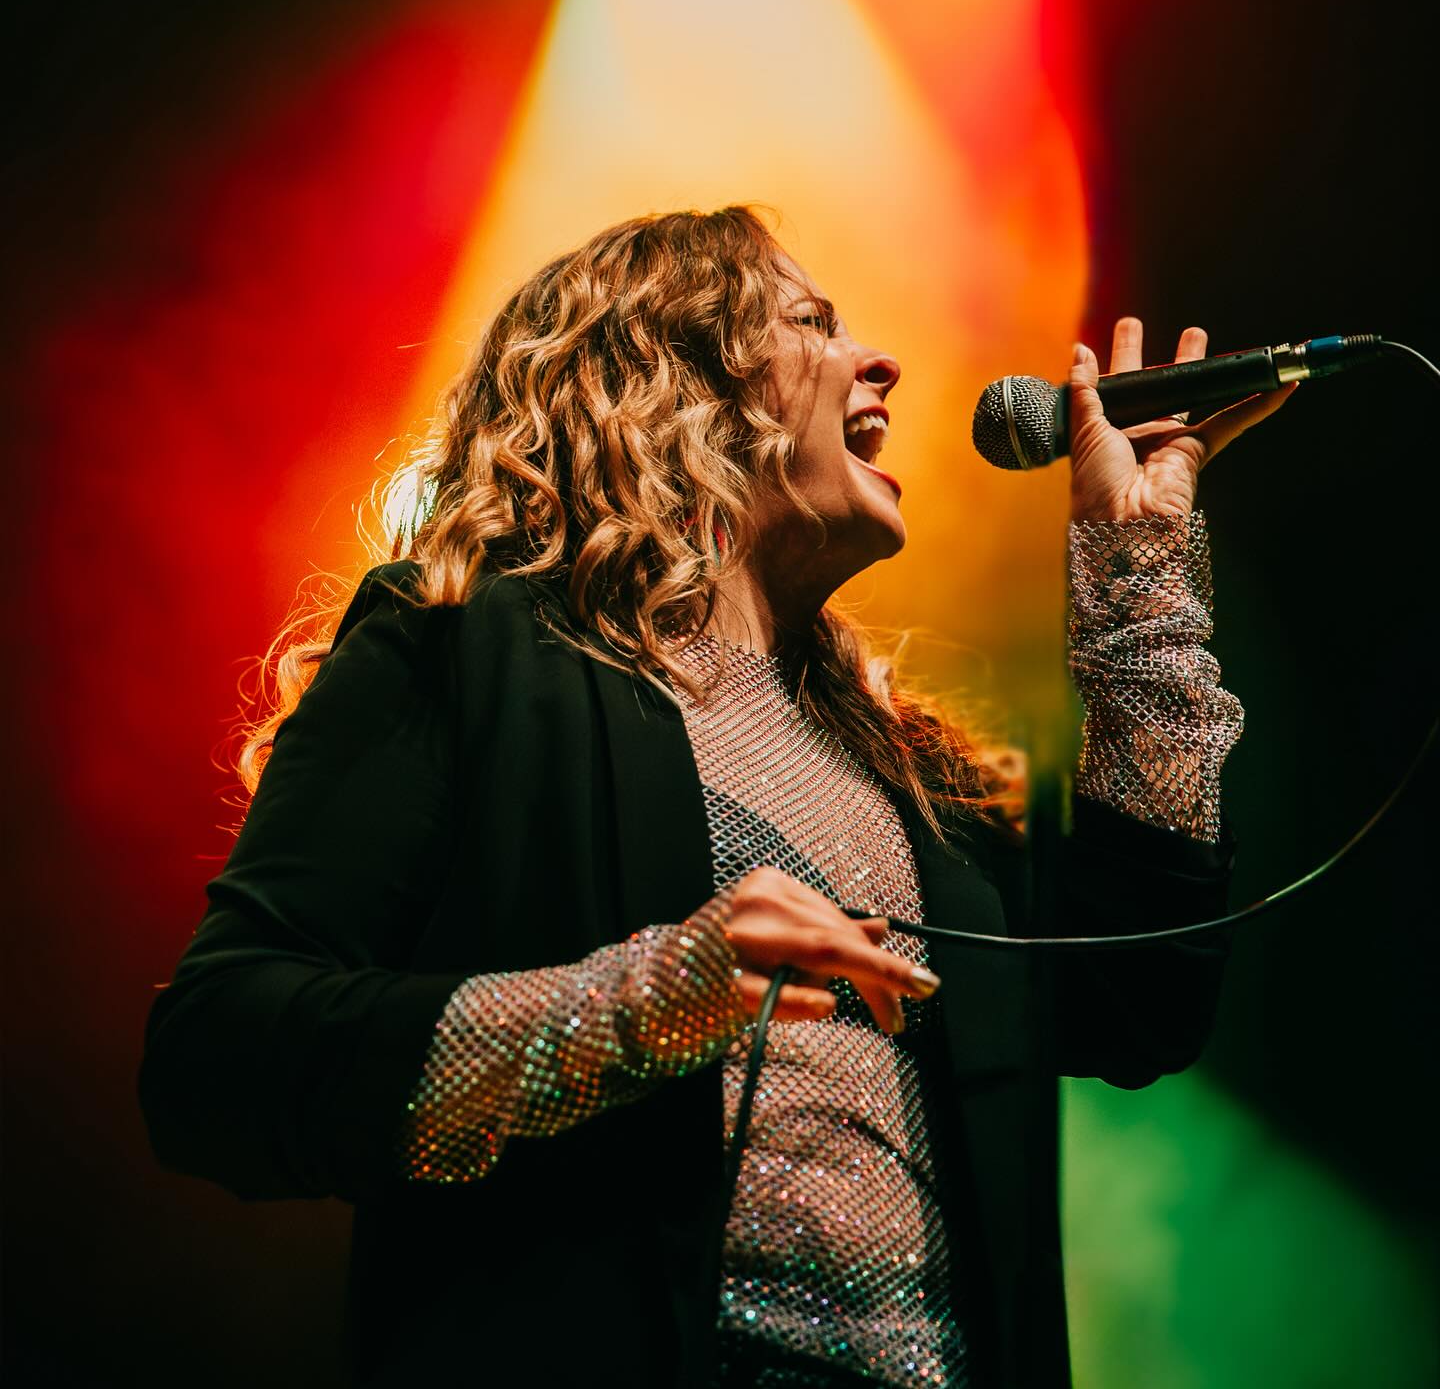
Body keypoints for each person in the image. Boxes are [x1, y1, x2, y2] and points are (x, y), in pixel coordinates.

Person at [139, 206, 1292, 1389]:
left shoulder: (912, 783)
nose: (879, 361)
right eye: (812, 323)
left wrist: (1136, 561)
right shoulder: (468, 649)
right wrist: (642, 1003)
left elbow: (1138, 1001)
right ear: (673, 388)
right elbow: (216, 1057)